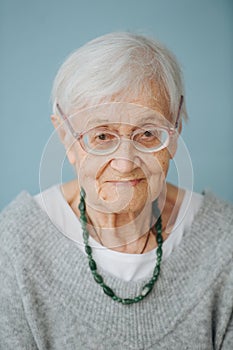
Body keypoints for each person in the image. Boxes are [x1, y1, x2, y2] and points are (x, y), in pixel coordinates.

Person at [0, 32, 232, 349]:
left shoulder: (225, 241)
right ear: (65, 137)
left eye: (148, 133)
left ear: (175, 129)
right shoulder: (14, 245)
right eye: (102, 136)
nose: (124, 163)